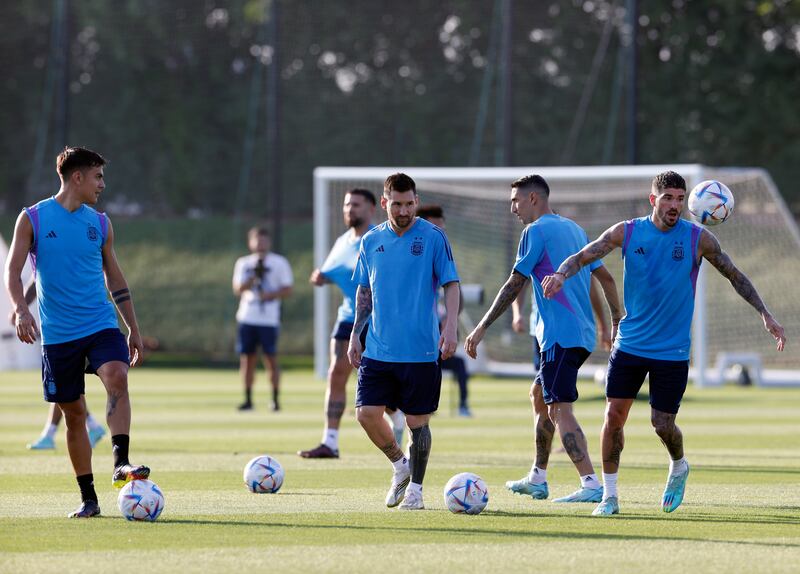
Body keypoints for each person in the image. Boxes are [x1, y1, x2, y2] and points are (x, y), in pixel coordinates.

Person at [542, 170, 786, 516]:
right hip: (629, 345)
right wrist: (561, 274)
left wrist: (765, 313)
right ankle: (610, 497)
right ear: (653, 199)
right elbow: (583, 256)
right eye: (668, 198)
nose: (675, 205)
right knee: (613, 417)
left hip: (671, 351)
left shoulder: (698, 239)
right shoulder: (626, 231)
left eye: (680, 198)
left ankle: (679, 464)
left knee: (662, 424)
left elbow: (735, 275)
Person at [4, 146, 149, 518]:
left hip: (100, 323)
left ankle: (121, 462)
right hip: (58, 335)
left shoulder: (100, 223)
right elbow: (13, 272)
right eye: (98, 176)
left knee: (117, 375)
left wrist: (132, 326)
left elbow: (114, 277)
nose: (103, 184)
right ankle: (89, 498)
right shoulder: (33, 218)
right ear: (77, 177)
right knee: (73, 414)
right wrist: (20, 309)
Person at [465, 174, 621, 504]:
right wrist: (614, 319)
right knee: (539, 395)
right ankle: (538, 476)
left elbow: (513, 285)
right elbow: (604, 277)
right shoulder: (574, 229)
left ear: (533, 198)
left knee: (559, 408)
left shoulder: (534, 231)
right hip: (578, 334)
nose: (512, 208)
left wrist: (480, 328)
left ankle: (591, 483)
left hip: (559, 335)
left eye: (515, 201)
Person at [348, 173, 460, 510]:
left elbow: (451, 284)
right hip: (379, 348)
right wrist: (356, 332)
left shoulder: (433, 237)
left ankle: (417, 491)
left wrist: (451, 327)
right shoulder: (371, 241)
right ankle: (400, 467)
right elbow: (364, 291)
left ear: (416, 200)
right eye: (396, 204)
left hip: (421, 349)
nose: (404, 210)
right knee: (366, 414)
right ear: (384, 204)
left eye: (409, 203)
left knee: (417, 424)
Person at [298, 189, 378, 458]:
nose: (349, 210)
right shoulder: (343, 241)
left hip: (379, 318)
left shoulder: (379, 239)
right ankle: (330, 442)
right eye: (346, 205)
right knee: (336, 373)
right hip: (348, 315)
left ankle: (398, 421)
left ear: (371, 209)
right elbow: (332, 271)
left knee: (379, 381)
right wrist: (320, 277)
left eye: (356, 205)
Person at [8, 280, 107, 450]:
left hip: (75, 326)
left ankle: (52, 433)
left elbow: (35, 279)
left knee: (64, 383)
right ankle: (88, 426)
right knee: (65, 384)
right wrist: (21, 308)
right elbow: (36, 279)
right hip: (66, 326)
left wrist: (21, 308)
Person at [416, 204, 472, 417]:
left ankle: (462, 406)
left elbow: (456, 296)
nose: (440, 233)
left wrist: (448, 323)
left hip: (433, 339)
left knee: (458, 365)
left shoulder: (441, 255)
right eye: (435, 227)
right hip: (409, 337)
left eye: (442, 228)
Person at [232, 227, 293, 411]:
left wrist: (271, 295)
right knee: (247, 359)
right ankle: (248, 399)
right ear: (250, 242)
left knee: (271, 358)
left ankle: (275, 399)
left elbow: (288, 289)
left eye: (263, 240)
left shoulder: (279, 262)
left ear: (269, 242)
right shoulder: (244, 263)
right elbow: (237, 289)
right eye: (257, 240)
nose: (260, 244)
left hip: (268, 319)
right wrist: (251, 280)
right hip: (247, 317)